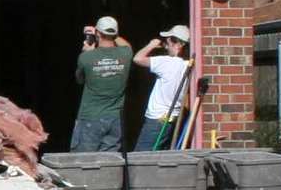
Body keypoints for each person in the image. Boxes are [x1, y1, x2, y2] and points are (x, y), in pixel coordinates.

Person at [69, 17, 134, 152]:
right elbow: (127, 45)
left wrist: (89, 52)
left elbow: (80, 80)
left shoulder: (86, 57)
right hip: (115, 119)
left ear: (98, 34)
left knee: (82, 162)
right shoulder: (126, 53)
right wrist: (111, 34)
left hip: (90, 117)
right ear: (115, 34)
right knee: (108, 164)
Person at [130, 24, 191, 150]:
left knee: (140, 157)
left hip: (156, 119)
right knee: (159, 155)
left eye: (167, 42)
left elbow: (137, 59)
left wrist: (151, 45)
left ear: (178, 45)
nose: (165, 45)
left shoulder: (166, 62)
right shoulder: (187, 64)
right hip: (171, 118)